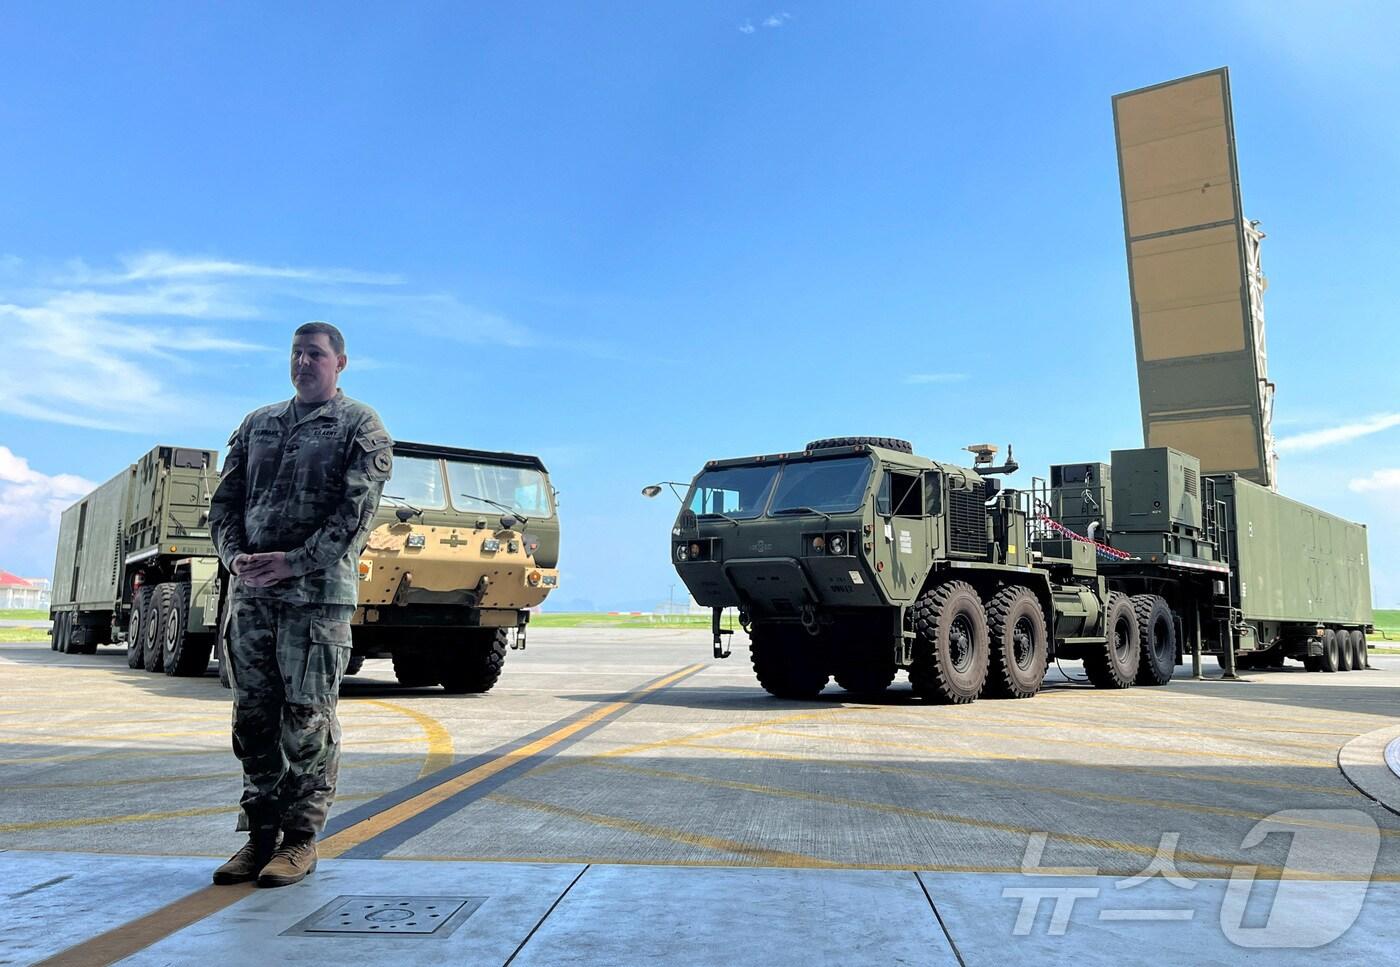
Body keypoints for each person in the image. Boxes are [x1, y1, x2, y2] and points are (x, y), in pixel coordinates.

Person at [207, 321, 392, 887]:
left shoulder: (360, 426)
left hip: (315, 599)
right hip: (255, 596)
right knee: (253, 719)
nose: (303, 362)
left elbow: (354, 516)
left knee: (306, 721)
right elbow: (225, 503)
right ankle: (258, 838)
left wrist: (293, 561)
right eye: (296, 353)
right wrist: (235, 557)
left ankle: (299, 840)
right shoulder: (258, 424)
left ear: (340, 363)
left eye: (315, 354)